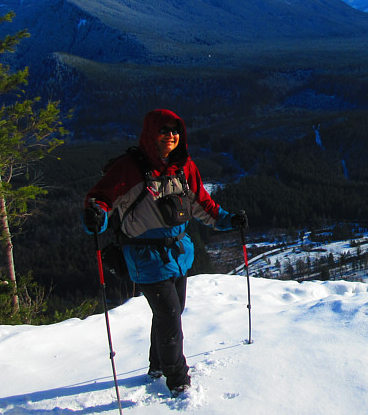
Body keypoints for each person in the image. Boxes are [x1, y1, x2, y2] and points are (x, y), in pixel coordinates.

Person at [82, 108, 247, 397]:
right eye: (163, 130)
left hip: (178, 254)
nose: (170, 135)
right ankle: (177, 380)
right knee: (170, 316)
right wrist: (96, 215)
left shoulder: (184, 167)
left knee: (171, 312)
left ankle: (157, 365)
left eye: (175, 130)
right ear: (150, 133)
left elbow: (202, 204)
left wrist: (227, 220)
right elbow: (100, 200)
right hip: (145, 258)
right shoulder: (128, 168)